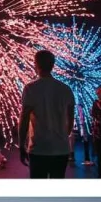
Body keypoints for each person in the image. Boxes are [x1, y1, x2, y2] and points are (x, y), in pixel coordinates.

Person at [19, 50, 75, 178]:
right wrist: (62, 136)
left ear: (36, 65)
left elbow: (24, 118)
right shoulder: (65, 89)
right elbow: (70, 118)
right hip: (61, 148)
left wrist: (21, 144)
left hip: (39, 148)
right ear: (53, 65)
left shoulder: (30, 88)